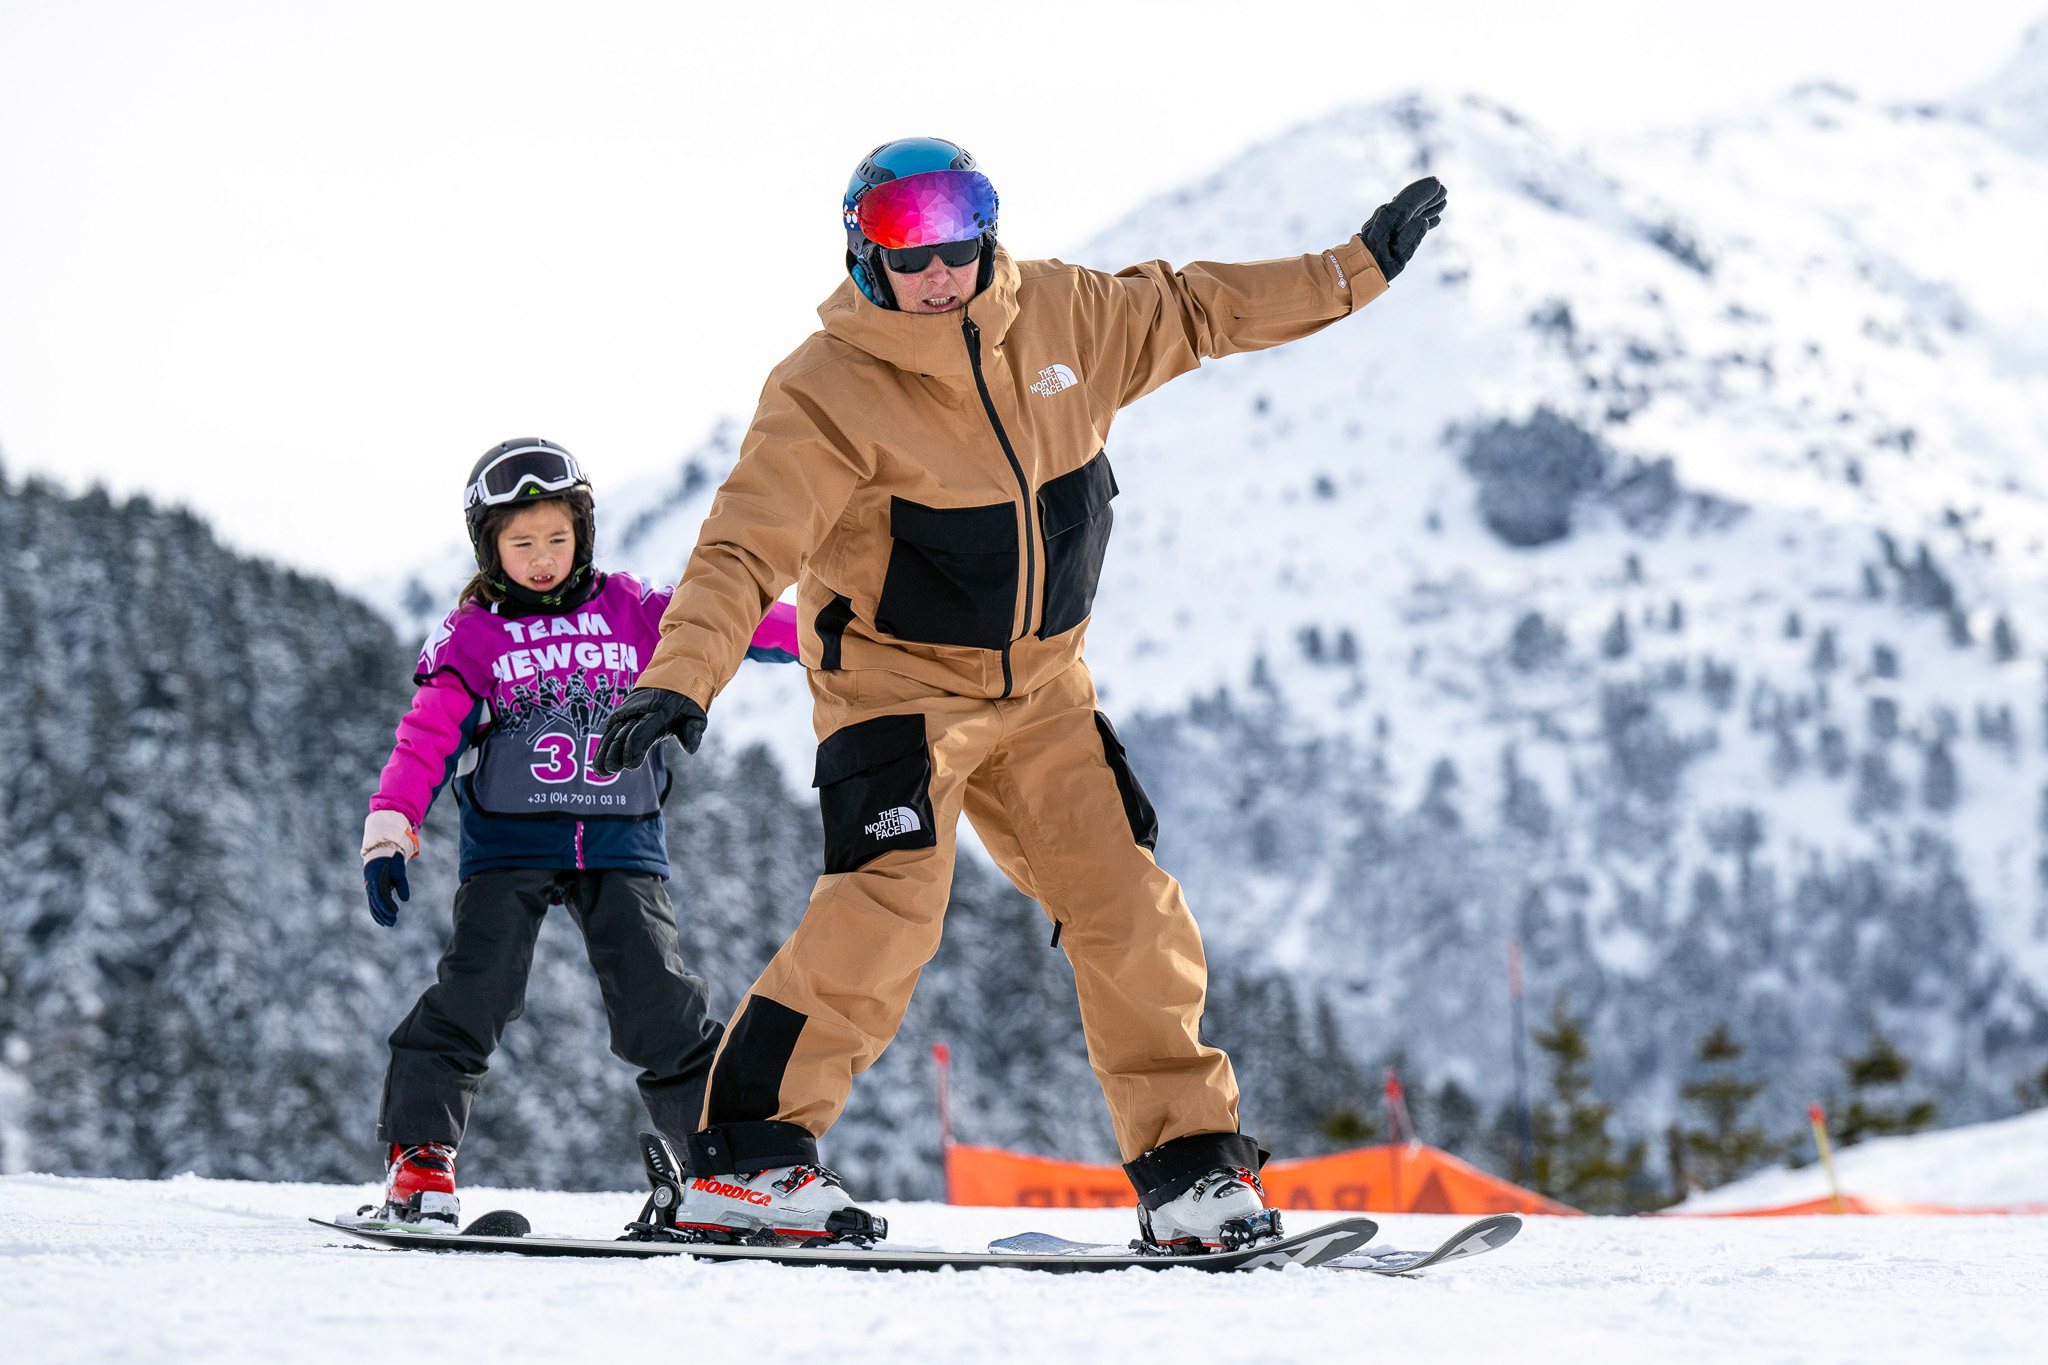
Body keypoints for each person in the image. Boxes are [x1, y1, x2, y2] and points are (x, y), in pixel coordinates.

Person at [594, 138, 1446, 1250]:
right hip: (895, 691)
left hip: (1042, 689)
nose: (938, 272)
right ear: (864, 256)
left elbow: (1195, 309)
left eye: (956, 242)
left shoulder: (1063, 316)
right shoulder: (825, 389)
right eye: (909, 254)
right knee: (884, 910)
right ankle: (744, 1164)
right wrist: (679, 675)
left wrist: (1350, 273)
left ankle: (1192, 1170)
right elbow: (742, 549)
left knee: (1127, 908)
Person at [358, 437, 799, 1228]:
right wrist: (391, 828)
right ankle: (419, 1160)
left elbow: (725, 620)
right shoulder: (473, 635)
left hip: (622, 841)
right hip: (511, 846)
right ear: (490, 547)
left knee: (663, 1007)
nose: (540, 558)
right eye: (520, 542)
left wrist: (826, 632)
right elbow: (426, 736)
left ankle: (721, 1176)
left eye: (556, 538)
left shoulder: (629, 607)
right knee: (475, 992)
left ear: (582, 534)